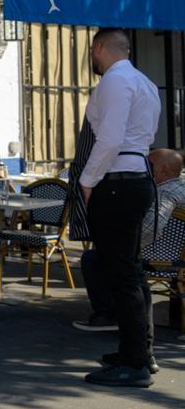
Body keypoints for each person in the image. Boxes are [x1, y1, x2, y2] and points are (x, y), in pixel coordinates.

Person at [69, 29, 161, 388]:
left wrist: (88, 181)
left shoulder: (114, 80)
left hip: (116, 181)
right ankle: (139, 351)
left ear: (98, 48)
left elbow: (108, 138)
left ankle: (135, 360)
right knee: (130, 272)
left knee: (120, 273)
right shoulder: (146, 83)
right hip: (137, 178)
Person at [74, 149, 183, 367]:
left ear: (161, 169)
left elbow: (148, 230)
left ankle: (109, 316)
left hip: (158, 257)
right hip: (173, 255)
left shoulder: (164, 193)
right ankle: (140, 351)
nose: (142, 169)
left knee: (96, 260)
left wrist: (117, 241)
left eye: (148, 165)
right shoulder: (179, 185)